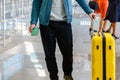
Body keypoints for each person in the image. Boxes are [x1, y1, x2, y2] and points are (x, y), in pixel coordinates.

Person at [29, 0, 95, 80]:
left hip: (64, 23)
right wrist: (33, 22)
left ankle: (67, 74)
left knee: (68, 52)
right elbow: (37, 3)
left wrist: (89, 11)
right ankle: (53, 77)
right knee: (49, 54)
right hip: (46, 24)